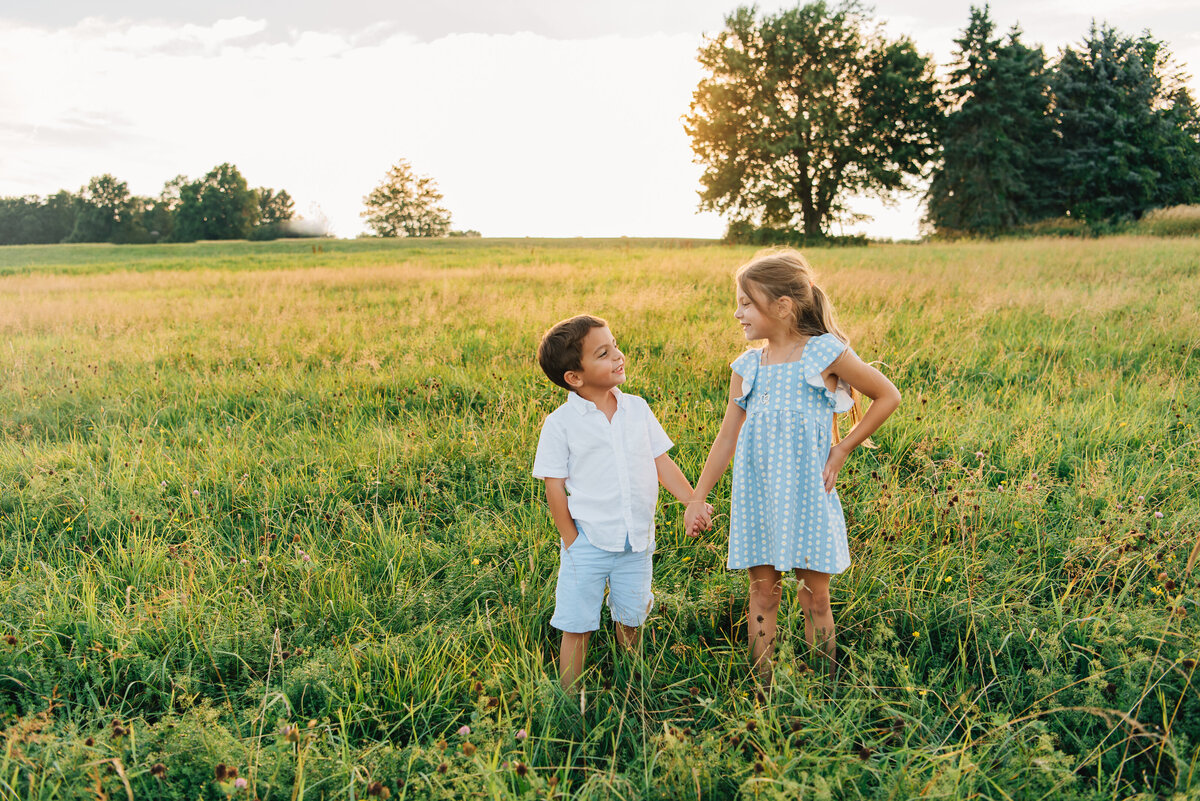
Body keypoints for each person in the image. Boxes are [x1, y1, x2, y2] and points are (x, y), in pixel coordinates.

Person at [685, 250, 900, 684]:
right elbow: (727, 436)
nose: (737, 312)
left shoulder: (823, 353)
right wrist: (698, 496)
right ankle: (761, 687)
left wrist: (841, 450)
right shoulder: (747, 367)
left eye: (746, 303)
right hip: (758, 495)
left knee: (814, 597)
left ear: (782, 307)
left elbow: (887, 396)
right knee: (762, 593)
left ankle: (824, 686)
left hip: (807, 495)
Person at [533, 314, 710, 691]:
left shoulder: (637, 408)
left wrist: (692, 500)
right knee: (576, 624)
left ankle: (632, 683)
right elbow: (554, 487)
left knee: (632, 618)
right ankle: (570, 699)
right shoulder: (561, 423)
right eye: (604, 352)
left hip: (636, 541)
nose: (618, 355)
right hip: (588, 542)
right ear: (575, 378)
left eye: (615, 345)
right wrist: (572, 541)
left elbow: (661, 462)